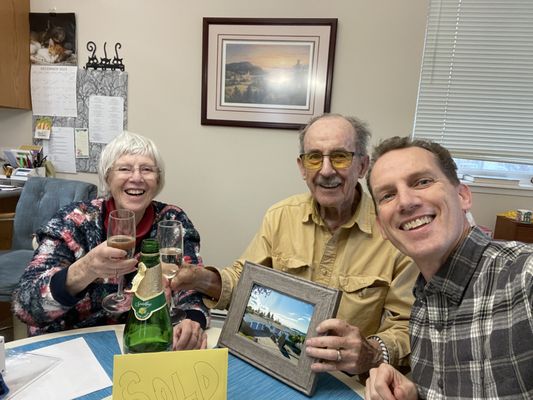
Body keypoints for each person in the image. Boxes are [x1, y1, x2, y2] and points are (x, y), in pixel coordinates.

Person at [172, 114, 418, 374]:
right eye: (314, 157)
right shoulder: (281, 216)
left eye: (340, 157)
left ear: (362, 165)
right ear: (302, 167)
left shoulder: (394, 230)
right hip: (277, 366)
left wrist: (372, 352)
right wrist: (199, 279)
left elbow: (408, 328)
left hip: (349, 380)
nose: (326, 170)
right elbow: (242, 281)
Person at [364, 136, 533, 399]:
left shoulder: (524, 277)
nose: (406, 202)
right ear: (382, 228)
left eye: (422, 182)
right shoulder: (422, 305)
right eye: (388, 195)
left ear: (463, 196)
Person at [13, 131, 209, 351]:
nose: (136, 178)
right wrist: (85, 269)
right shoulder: (74, 220)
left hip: (144, 344)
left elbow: (190, 289)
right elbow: (25, 306)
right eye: (124, 169)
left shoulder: (172, 220)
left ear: (158, 180)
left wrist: (192, 320)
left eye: (147, 169)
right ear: (107, 177)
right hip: (71, 346)